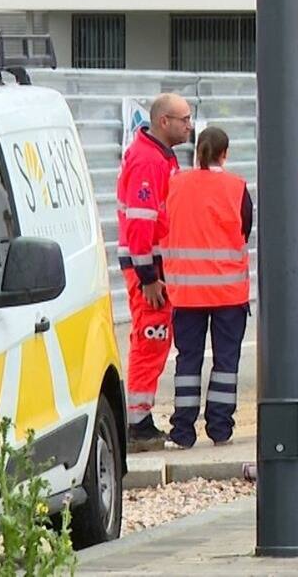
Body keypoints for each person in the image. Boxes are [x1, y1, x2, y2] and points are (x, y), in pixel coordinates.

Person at [162, 127, 253, 449]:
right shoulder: (237, 187)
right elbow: (245, 230)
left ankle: (183, 431)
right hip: (228, 292)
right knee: (226, 362)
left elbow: (164, 225)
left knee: (188, 361)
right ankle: (220, 429)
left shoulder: (175, 184)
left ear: (196, 150)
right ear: (225, 154)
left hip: (185, 291)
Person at [117, 93, 194, 452]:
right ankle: (138, 423)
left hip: (156, 266)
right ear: (165, 121)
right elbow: (140, 223)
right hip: (149, 269)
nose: (189, 126)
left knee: (154, 339)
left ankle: (140, 419)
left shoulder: (160, 155)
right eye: (185, 119)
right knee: (150, 338)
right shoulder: (149, 160)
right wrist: (148, 277)